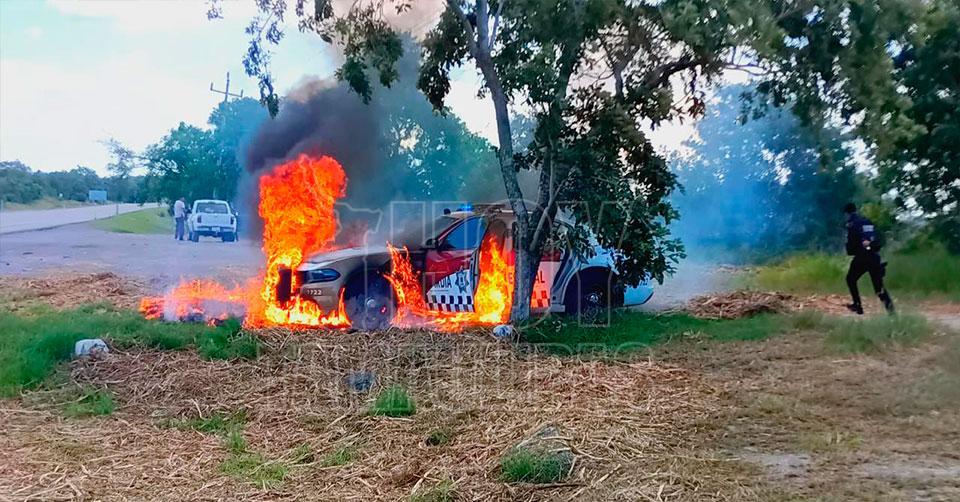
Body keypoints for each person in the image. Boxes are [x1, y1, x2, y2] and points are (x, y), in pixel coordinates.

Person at [843, 202, 894, 315]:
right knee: (879, 288)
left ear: (847, 213)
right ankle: (892, 312)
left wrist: (851, 251)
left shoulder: (852, 223)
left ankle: (857, 305)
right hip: (874, 257)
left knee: (850, 279)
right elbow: (879, 239)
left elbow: (851, 243)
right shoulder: (867, 221)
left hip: (862, 257)